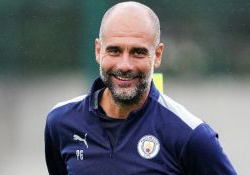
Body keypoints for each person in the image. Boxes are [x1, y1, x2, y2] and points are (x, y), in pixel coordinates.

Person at [44, 1, 237, 174]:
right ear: (98, 50)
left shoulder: (191, 136)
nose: (125, 65)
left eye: (138, 52)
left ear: (158, 55)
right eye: (114, 50)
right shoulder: (61, 122)